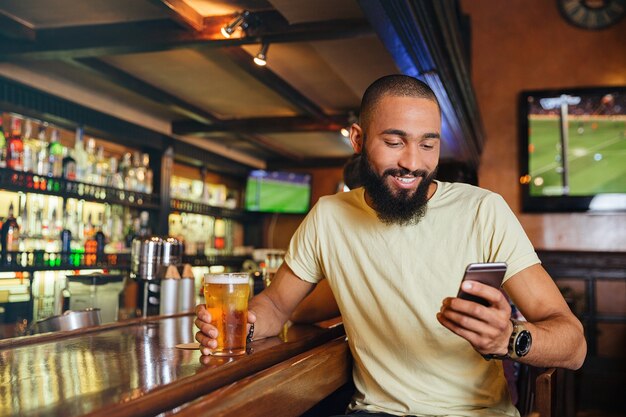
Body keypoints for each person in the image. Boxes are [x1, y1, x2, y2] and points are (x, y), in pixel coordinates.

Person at [195, 74, 586, 416]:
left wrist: (509, 339)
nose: (413, 162)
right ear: (358, 139)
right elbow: (277, 306)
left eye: (428, 145)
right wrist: (239, 326)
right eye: (395, 141)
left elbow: (574, 345)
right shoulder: (328, 216)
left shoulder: (483, 210)